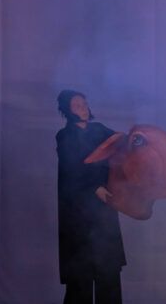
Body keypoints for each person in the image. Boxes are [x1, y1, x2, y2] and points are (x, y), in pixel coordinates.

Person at [55, 89, 126, 304]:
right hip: (77, 213)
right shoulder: (64, 136)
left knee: (109, 273)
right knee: (80, 276)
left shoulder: (99, 130)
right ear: (68, 110)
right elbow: (72, 168)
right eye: (77, 105)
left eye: (84, 104)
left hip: (103, 211)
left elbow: (120, 142)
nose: (83, 108)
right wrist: (95, 187)